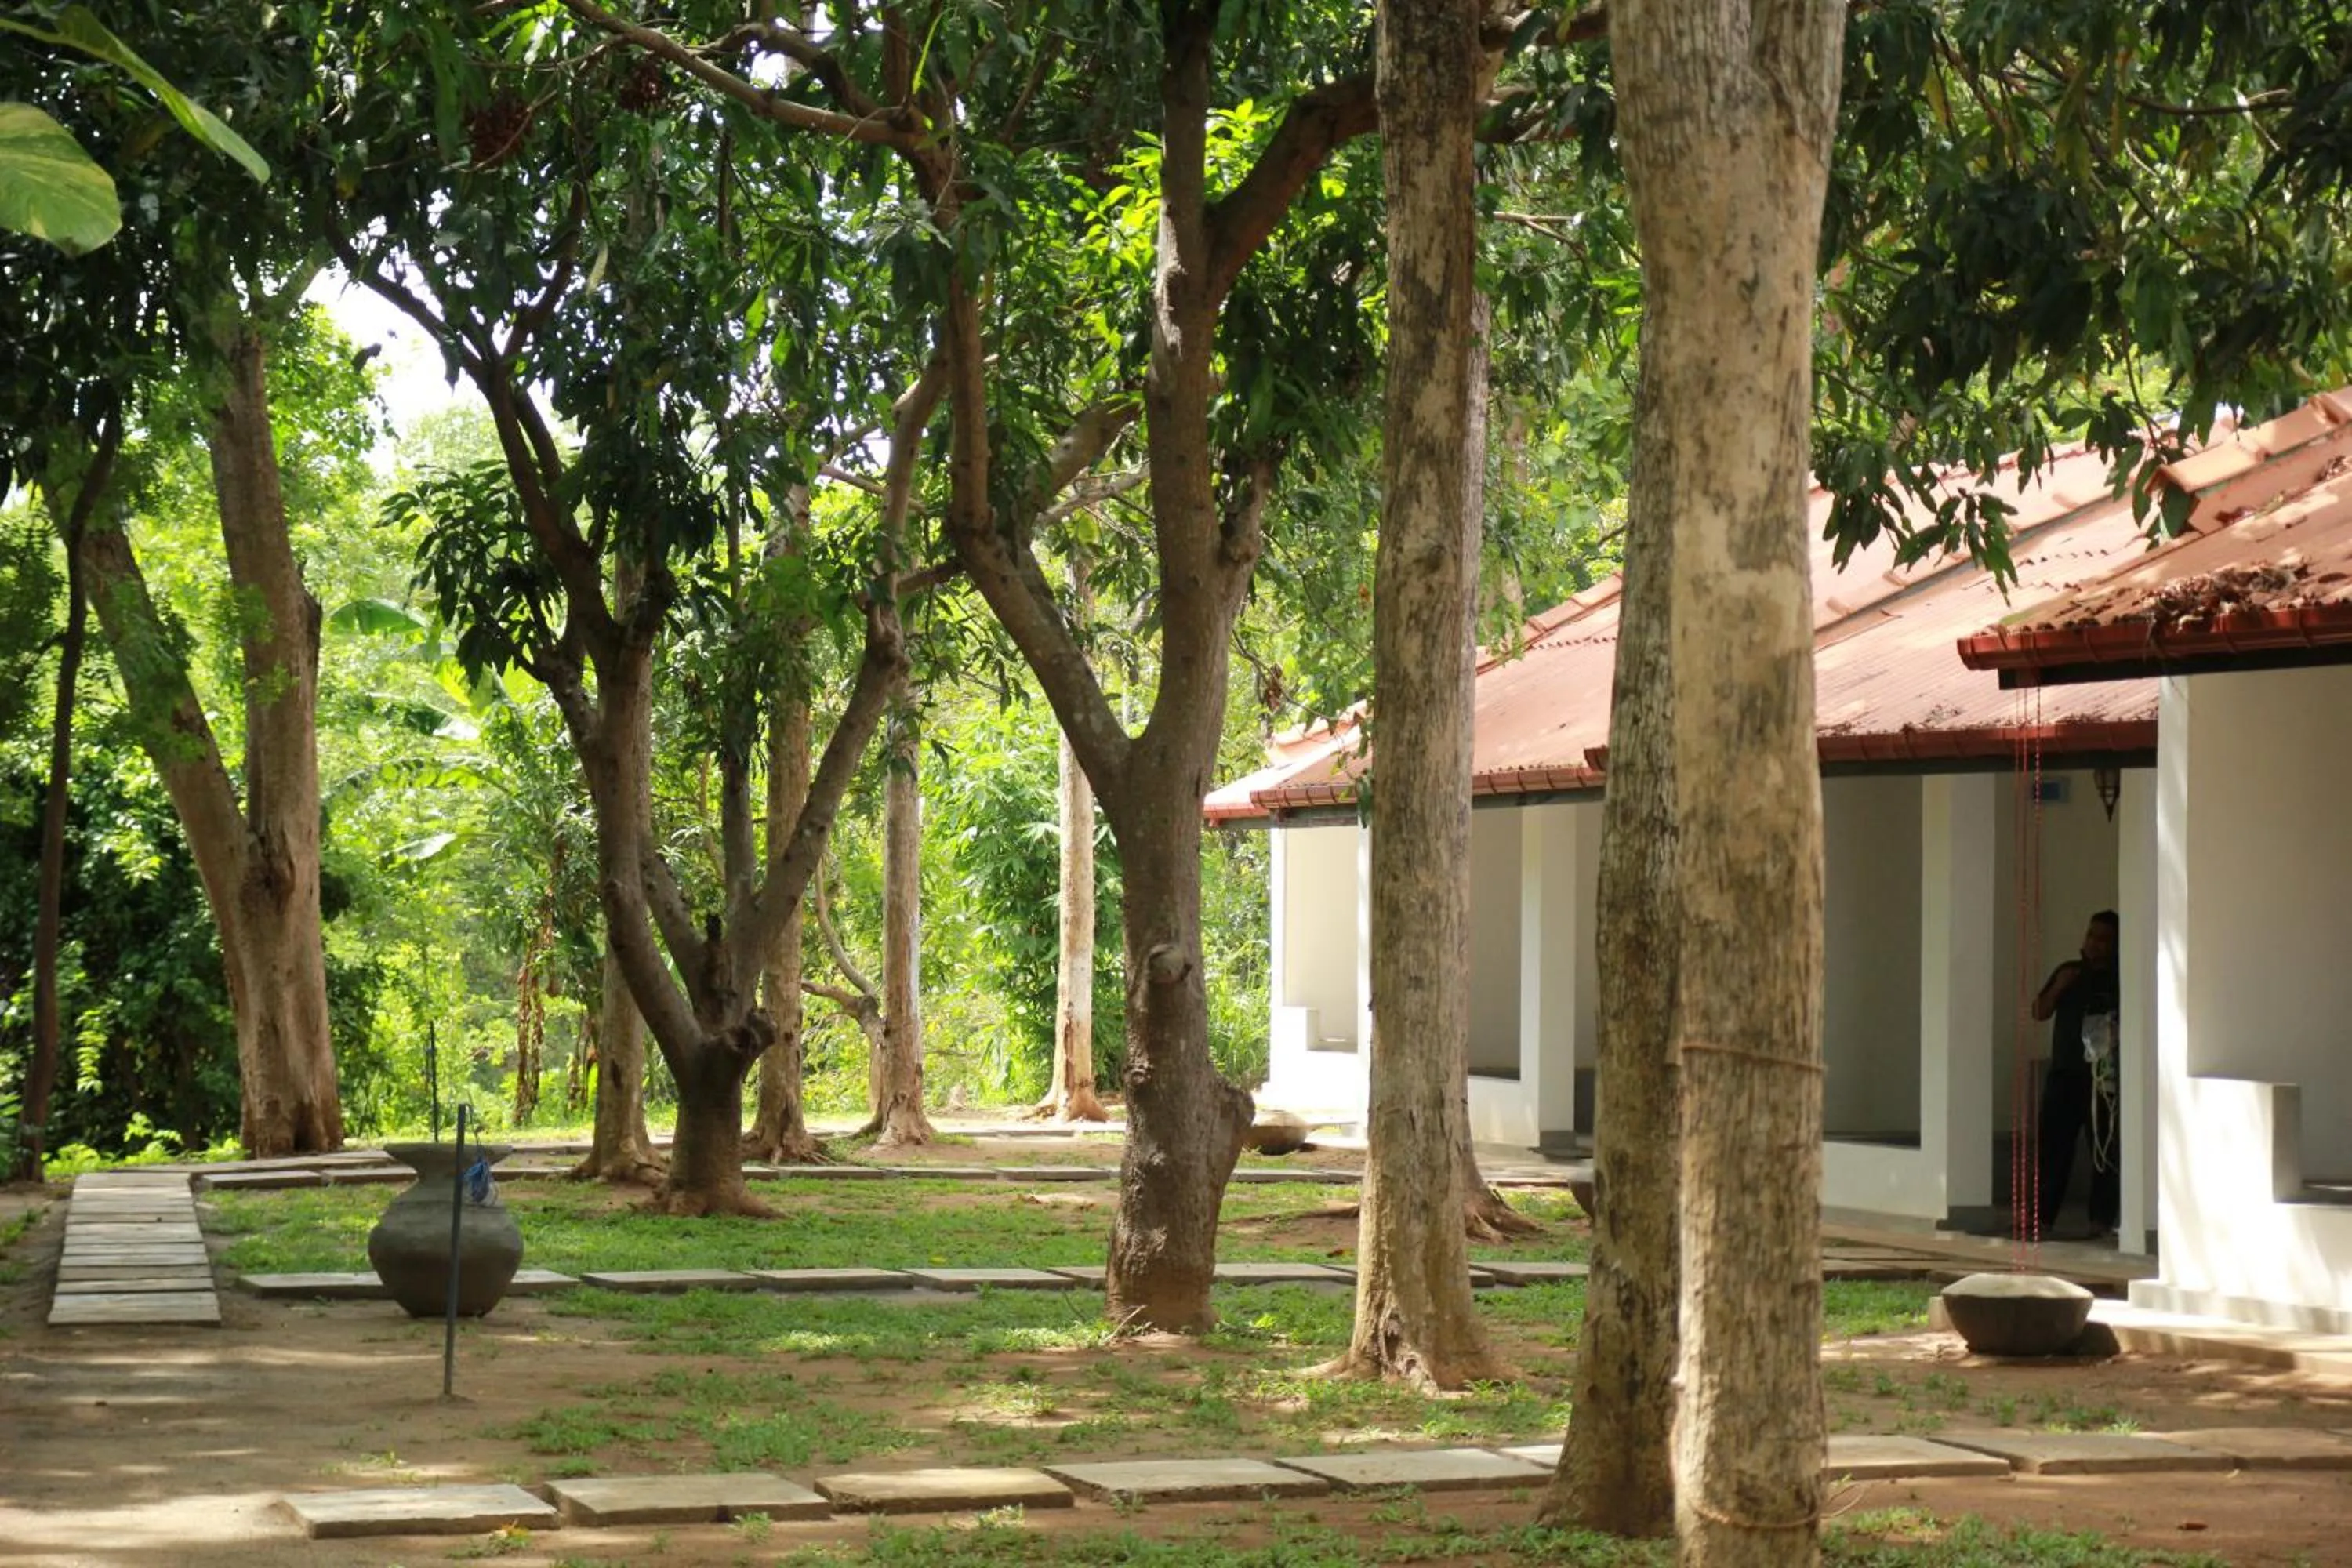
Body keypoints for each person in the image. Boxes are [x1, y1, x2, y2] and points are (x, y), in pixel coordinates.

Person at [2031, 910, 2122, 1236]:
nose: (2095, 945)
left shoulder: (2119, 979)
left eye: (2104, 940)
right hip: (2065, 1074)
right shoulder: (2069, 971)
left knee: (2104, 1150)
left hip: (2103, 1077)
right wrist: (2059, 987)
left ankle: (2100, 1220)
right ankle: (2041, 1218)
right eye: (2091, 936)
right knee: (2053, 1147)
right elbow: (2038, 1011)